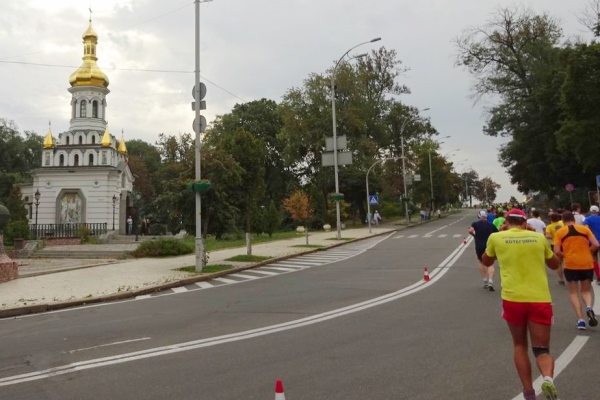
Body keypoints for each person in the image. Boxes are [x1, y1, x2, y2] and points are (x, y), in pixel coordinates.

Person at [482, 208, 560, 400]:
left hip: (513, 299)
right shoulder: (538, 238)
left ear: (506, 223)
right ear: (525, 223)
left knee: (519, 345)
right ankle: (547, 378)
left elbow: (486, 260)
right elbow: (555, 264)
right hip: (539, 299)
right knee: (542, 349)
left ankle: (529, 392)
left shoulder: (496, 237)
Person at [554, 211, 599, 330]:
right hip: (586, 263)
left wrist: (565, 255)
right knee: (586, 290)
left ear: (563, 221)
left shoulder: (560, 232)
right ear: (573, 219)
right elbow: (596, 244)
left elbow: (557, 251)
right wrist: (588, 251)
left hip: (571, 265)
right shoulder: (585, 229)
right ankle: (589, 307)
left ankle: (581, 320)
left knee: (573, 293)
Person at [467, 210, 498, 291]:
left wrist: (474, 235)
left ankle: (485, 280)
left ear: (479, 217)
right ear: (486, 217)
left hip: (479, 246)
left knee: (481, 262)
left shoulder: (475, 224)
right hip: (489, 246)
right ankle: (490, 280)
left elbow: (470, 230)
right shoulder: (491, 225)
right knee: (490, 264)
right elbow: (497, 234)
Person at [545, 213, 565, 285]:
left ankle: (561, 279)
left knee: (558, 263)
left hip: (555, 244)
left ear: (551, 219)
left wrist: (554, 235)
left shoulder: (549, 226)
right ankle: (568, 274)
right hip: (564, 243)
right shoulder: (562, 224)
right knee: (566, 260)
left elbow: (547, 236)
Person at [584, 205, 600, 284]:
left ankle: (599, 277)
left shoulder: (587, 219)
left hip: (593, 241)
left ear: (590, 211)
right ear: (598, 211)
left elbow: (586, 229)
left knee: (594, 258)